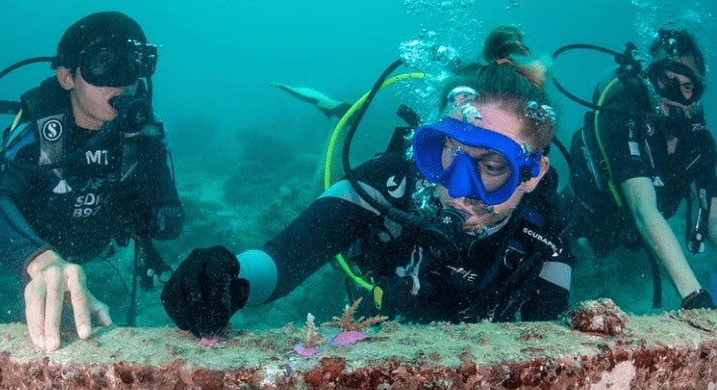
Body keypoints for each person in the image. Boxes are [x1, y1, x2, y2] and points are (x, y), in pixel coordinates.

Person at [161, 25, 574, 337]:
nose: (458, 188)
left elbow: (543, 335)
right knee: (326, 181)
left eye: (493, 166)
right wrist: (231, 277)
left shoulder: (546, 229)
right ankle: (335, 113)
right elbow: (283, 259)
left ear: (533, 173)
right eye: (448, 149)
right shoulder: (387, 185)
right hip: (378, 319)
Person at [0, 11, 184, 351]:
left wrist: (148, 216)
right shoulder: (39, 135)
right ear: (67, 77)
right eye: (103, 64)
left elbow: (170, 218)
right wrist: (39, 260)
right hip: (41, 253)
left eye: (132, 65)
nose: (121, 83)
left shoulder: (145, 136)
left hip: (100, 247)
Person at [562, 29, 716, 309]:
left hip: (635, 234)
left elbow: (714, 214)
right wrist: (695, 298)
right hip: (587, 211)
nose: (675, 95)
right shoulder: (624, 118)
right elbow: (644, 210)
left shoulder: (699, 140)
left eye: (687, 86)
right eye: (666, 80)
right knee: (557, 244)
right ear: (649, 78)